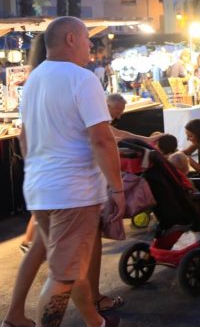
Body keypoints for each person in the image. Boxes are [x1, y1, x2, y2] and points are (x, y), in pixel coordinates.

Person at [16, 17, 124, 327]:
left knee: (70, 266)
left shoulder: (34, 79)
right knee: (63, 275)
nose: (92, 44)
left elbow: (24, 137)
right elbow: (102, 139)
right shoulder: (82, 78)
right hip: (72, 192)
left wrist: (39, 171)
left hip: (40, 189)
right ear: (71, 39)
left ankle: (96, 322)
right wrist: (117, 188)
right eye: (87, 38)